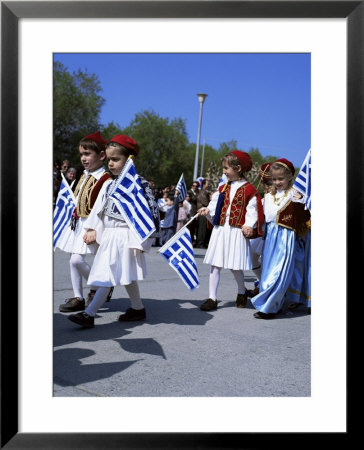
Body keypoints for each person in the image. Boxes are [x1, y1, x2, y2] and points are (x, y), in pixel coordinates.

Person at [67, 134, 157, 327]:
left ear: (129, 159)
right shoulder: (109, 184)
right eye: (109, 159)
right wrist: (92, 228)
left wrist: (144, 241)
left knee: (110, 273)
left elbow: (150, 214)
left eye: (116, 159)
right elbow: (99, 209)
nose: (111, 164)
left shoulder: (138, 184)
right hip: (110, 236)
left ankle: (89, 314)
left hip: (126, 236)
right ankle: (138, 309)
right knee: (124, 275)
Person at [198, 150, 264, 311]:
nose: (224, 171)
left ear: (238, 168)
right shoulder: (222, 187)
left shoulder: (249, 190)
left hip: (236, 231)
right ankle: (212, 298)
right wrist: (207, 211)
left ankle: (242, 292)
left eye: (227, 168)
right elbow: (215, 206)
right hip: (221, 229)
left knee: (235, 266)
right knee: (215, 264)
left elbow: (252, 209)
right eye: (224, 168)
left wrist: (249, 224)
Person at [56, 131, 113, 313]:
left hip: (93, 226)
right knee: (73, 260)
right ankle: (79, 297)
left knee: (76, 260)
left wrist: (94, 228)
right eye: (81, 154)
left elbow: (103, 207)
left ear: (102, 155)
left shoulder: (105, 179)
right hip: (79, 223)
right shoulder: (84, 175)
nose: (83, 158)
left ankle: (100, 287)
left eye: (87, 154)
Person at [250, 158, 310, 319]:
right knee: (268, 270)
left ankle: (269, 308)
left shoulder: (295, 194)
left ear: (290, 176)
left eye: (281, 179)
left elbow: (303, 217)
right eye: (274, 179)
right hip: (270, 238)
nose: (277, 182)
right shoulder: (269, 195)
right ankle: (270, 304)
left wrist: (299, 201)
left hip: (286, 237)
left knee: (279, 271)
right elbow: (265, 216)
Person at [246, 162, 273, 298]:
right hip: (262, 232)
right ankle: (262, 283)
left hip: (272, 233)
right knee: (253, 258)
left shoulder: (273, 197)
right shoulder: (263, 198)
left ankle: (266, 287)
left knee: (268, 262)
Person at [195, 179, 212, 248]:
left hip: (204, 213)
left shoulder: (205, 192)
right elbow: (206, 203)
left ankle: (203, 242)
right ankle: (200, 243)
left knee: (205, 229)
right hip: (202, 213)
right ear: (204, 184)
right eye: (208, 184)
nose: (209, 185)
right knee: (202, 229)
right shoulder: (202, 193)